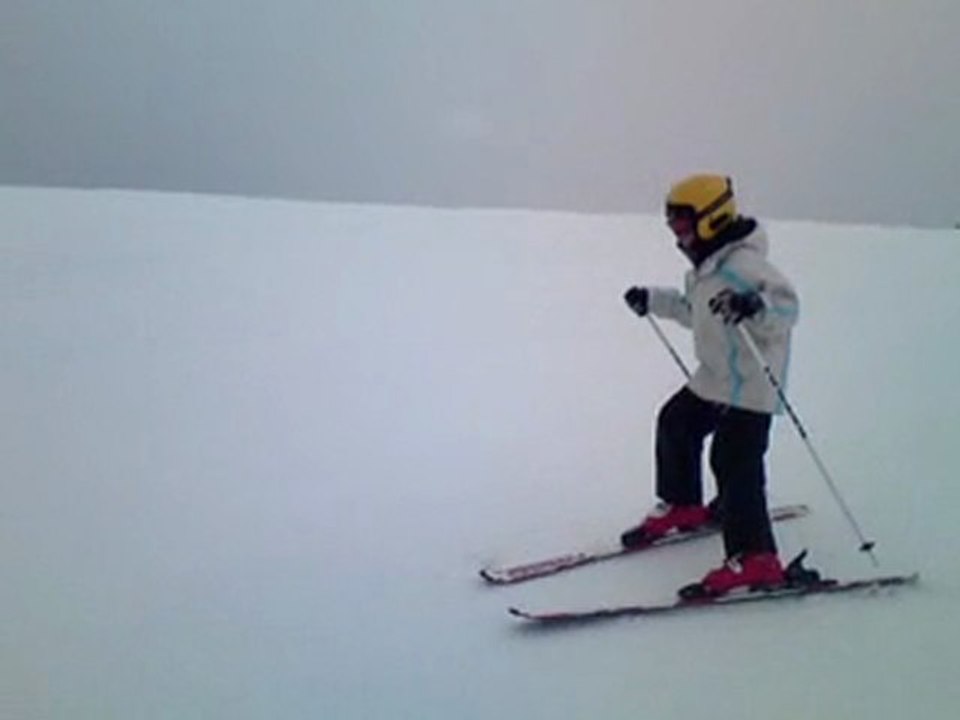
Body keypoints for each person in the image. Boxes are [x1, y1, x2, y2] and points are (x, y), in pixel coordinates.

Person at [621, 173, 799, 596]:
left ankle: (756, 558)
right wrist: (653, 299)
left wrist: (754, 305)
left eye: (683, 225)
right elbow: (693, 312)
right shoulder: (705, 270)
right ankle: (683, 504)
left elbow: (787, 308)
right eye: (673, 227)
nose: (678, 236)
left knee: (733, 458)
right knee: (676, 422)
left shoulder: (744, 267)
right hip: (716, 378)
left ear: (711, 219)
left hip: (753, 384)